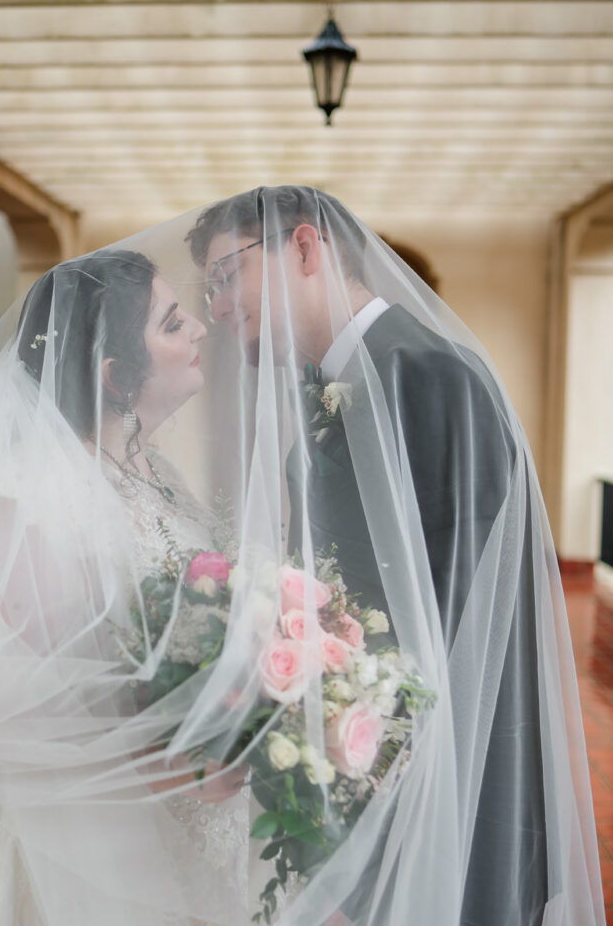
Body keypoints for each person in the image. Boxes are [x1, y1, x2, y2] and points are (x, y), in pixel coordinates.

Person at [187, 185, 605, 926]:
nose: (217, 306)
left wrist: (374, 802)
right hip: (378, 774)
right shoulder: (342, 385)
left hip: (453, 787)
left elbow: (467, 616)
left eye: (226, 275)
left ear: (306, 248)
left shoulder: (426, 374)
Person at [0, 250, 250, 926]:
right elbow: (7, 714)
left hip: (185, 816)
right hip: (75, 851)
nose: (198, 327)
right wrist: (175, 762)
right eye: (170, 323)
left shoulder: (155, 470)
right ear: (117, 378)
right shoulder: (29, 499)